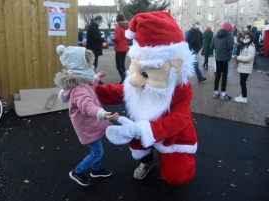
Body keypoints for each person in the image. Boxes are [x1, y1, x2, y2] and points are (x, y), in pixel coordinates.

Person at [95, 11, 198, 185]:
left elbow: (179, 118)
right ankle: (147, 161)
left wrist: (143, 130)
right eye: (136, 69)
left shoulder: (180, 88)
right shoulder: (138, 83)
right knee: (137, 138)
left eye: (144, 73)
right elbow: (116, 91)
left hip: (172, 135)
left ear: (175, 66)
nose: (135, 80)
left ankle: (171, 157)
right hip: (145, 126)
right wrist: (88, 89)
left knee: (177, 175)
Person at [54, 45, 119, 186]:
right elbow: (86, 106)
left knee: (97, 147)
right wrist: (100, 113)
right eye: (90, 63)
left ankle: (96, 170)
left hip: (89, 124)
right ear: (81, 66)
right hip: (86, 124)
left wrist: (95, 78)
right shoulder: (79, 88)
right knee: (97, 152)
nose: (93, 66)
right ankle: (78, 172)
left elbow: (89, 86)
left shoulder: (82, 81)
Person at [210, 22, 234, 101]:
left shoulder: (215, 35)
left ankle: (215, 92)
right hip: (225, 58)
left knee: (217, 75)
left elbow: (212, 46)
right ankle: (223, 94)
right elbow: (230, 47)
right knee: (224, 76)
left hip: (218, 58)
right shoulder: (229, 36)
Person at [234, 32, 255, 104]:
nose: (245, 39)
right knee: (242, 82)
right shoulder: (246, 46)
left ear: (251, 39)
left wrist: (238, 58)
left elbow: (249, 58)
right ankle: (242, 95)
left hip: (245, 67)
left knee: (243, 82)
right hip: (243, 67)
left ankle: (244, 97)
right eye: (245, 38)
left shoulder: (251, 47)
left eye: (247, 38)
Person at [86, 15, 106, 84]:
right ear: (98, 20)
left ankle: (93, 79)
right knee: (93, 65)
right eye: (101, 21)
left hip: (91, 48)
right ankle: (94, 80)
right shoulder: (94, 26)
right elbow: (97, 37)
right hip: (94, 49)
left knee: (92, 65)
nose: (101, 22)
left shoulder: (91, 25)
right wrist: (103, 39)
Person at [111, 13, 129, 84]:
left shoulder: (118, 27)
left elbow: (117, 39)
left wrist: (112, 38)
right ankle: (125, 79)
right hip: (125, 47)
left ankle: (124, 80)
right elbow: (128, 38)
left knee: (119, 66)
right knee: (122, 65)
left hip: (119, 48)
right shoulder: (127, 26)